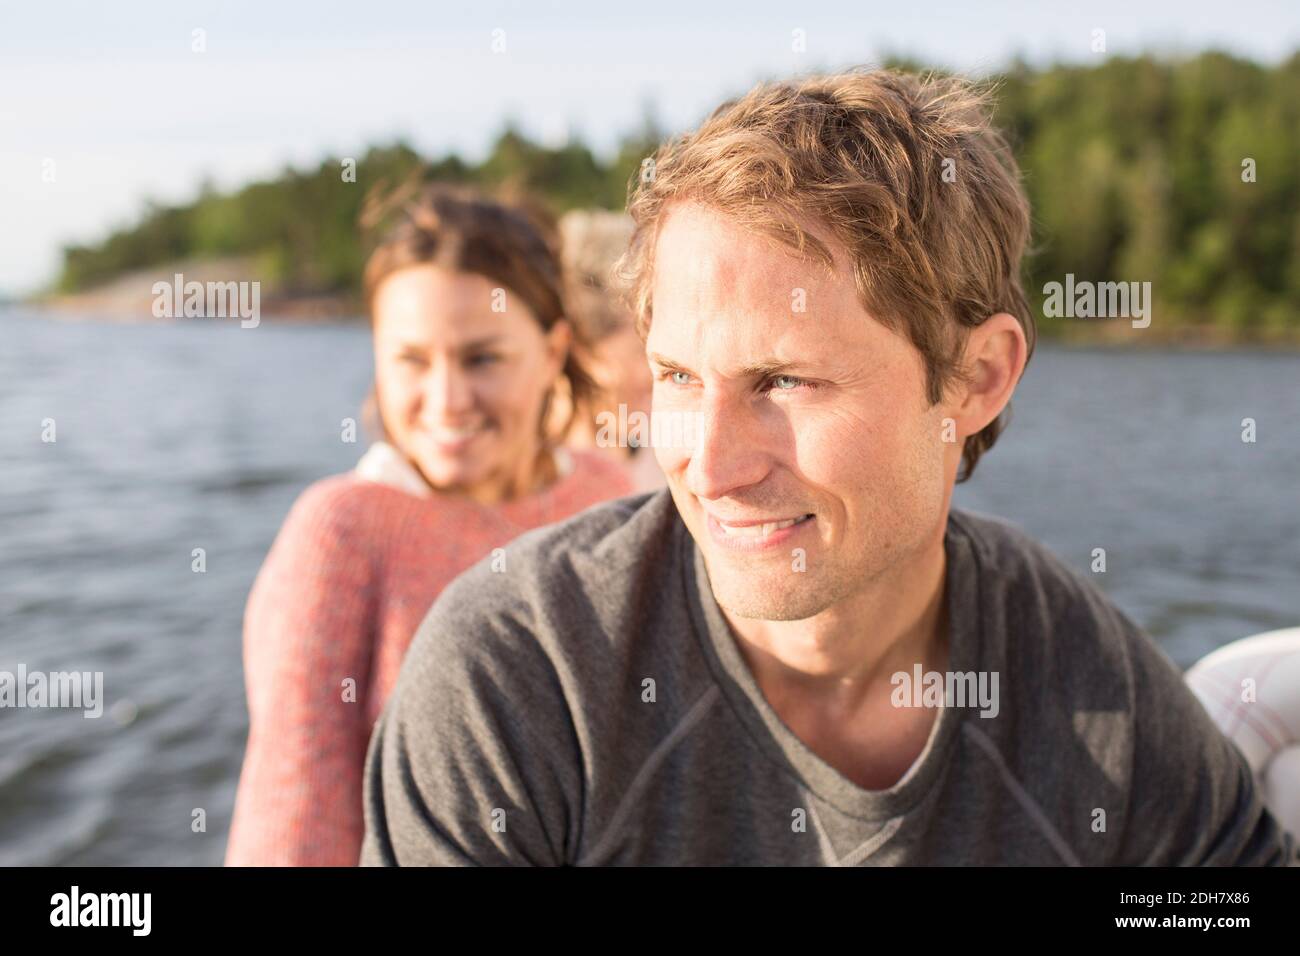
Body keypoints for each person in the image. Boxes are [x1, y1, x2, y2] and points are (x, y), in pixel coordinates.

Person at [359, 71, 1299, 865]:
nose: (709, 466)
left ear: (977, 378)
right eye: (679, 376)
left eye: (785, 380)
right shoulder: (518, 678)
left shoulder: (1094, 697)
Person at [225, 183, 634, 866]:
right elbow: (294, 817)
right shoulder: (342, 533)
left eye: (482, 358)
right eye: (411, 360)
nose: (446, 401)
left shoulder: (607, 493)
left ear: (553, 349)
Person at [557, 209, 664, 493]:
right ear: (583, 352)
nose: (659, 372)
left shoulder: (662, 442)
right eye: (642, 352)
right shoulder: (541, 469)